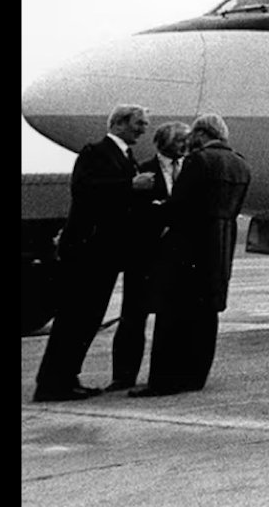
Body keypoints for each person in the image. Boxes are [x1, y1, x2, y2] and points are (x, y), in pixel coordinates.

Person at [34, 104, 155, 401]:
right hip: (88, 253)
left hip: (105, 255)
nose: (143, 129)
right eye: (139, 123)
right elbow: (86, 189)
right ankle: (52, 384)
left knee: (86, 320)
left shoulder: (125, 155)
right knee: (74, 319)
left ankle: (66, 378)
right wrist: (131, 184)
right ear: (118, 123)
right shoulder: (96, 152)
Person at [131, 113, 252, 396]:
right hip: (221, 244)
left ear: (201, 134)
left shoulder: (199, 161)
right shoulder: (240, 164)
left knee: (172, 314)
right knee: (206, 315)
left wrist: (155, 207)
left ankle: (164, 381)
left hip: (189, 245)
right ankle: (195, 377)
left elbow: (180, 207)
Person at [109, 120, 191, 391]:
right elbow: (133, 212)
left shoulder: (191, 169)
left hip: (176, 257)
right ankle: (123, 376)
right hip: (145, 255)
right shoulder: (142, 170)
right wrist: (162, 212)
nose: (185, 145)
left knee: (173, 317)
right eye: (180, 140)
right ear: (162, 142)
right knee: (133, 318)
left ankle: (170, 373)